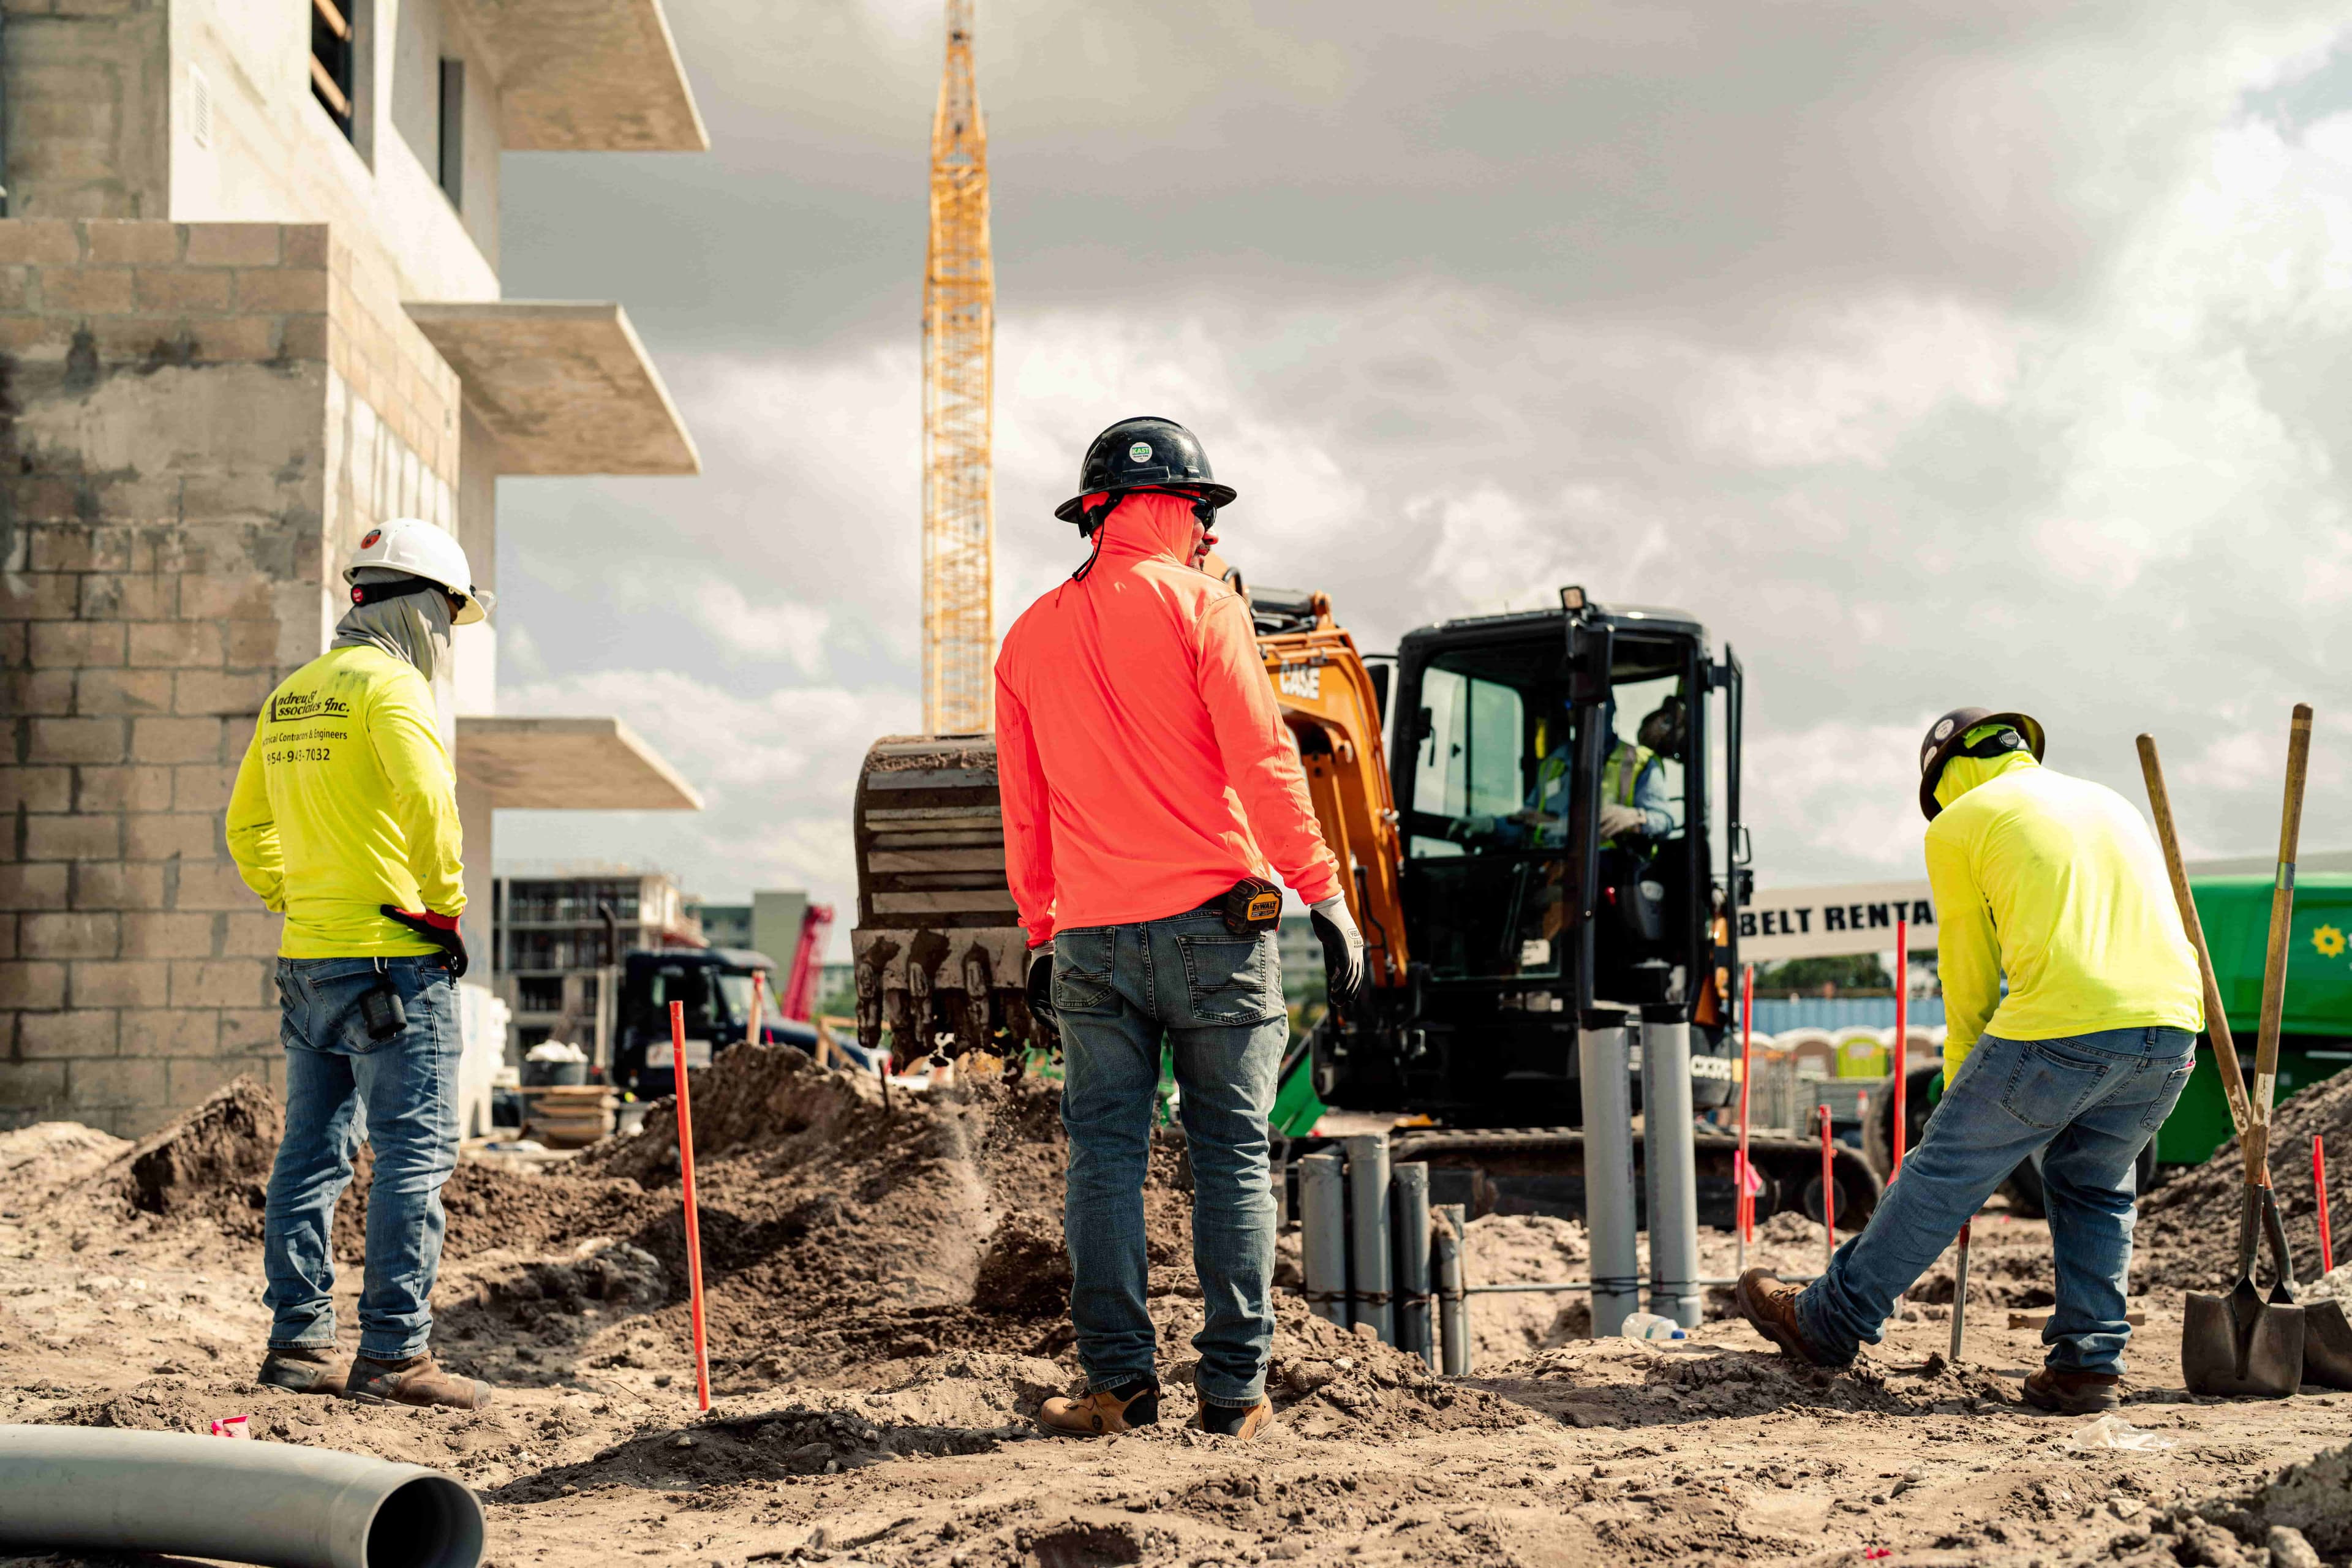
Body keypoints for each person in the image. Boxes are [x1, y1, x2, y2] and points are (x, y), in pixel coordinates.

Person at [995, 415, 1370, 1442]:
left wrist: (1039, 929)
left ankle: (1120, 1389)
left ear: (1097, 512)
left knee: (1104, 1157)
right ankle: (1234, 1397)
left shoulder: (1027, 637)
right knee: (1233, 1155)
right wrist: (1325, 894)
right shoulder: (1208, 610)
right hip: (1212, 929)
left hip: (1090, 941)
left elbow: (1020, 804)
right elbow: (1263, 760)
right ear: (1163, 508)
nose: (1209, 528)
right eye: (1200, 509)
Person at [1735, 708, 2201, 1413]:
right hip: (2171, 1026)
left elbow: (1970, 975)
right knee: (2094, 1186)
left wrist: (1957, 1091)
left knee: (1940, 1175)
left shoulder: (1960, 821)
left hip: (2061, 1024)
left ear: (1946, 773)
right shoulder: (2110, 801)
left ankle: (1830, 1319)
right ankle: (2088, 1362)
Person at [226, 519, 496, 1411]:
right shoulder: (393, 689)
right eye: (450, 616)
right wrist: (443, 906)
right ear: (423, 606)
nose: (449, 637)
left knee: (310, 1156)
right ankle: (394, 1355)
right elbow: (428, 799)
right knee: (414, 1156)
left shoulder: (294, 695)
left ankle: (300, 1347)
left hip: (311, 958)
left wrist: (292, 898)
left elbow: (244, 828)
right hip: (393, 961)